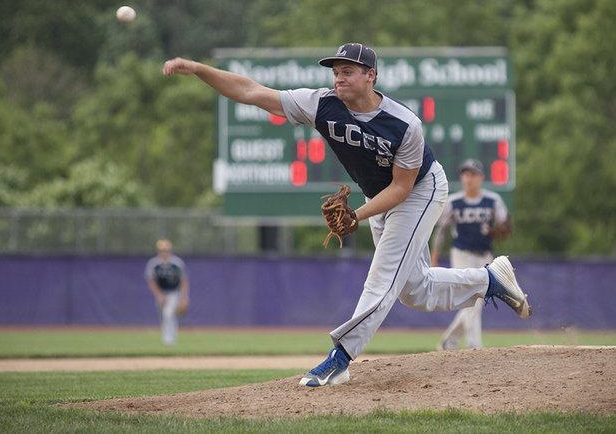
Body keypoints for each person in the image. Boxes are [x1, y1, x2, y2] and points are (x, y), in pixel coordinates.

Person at [162, 43, 531, 387]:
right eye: (335, 71)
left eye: (348, 71)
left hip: (421, 189)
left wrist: (357, 215)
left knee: (383, 276)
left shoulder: (404, 125)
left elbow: (402, 189)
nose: (338, 77)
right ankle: (490, 281)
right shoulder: (321, 104)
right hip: (379, 196)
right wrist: (197, 68)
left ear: (371, 74)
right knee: (413, 291)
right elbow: (249, 91)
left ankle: (340, 357)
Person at [431, 158, 511, 350]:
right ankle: (475, 345)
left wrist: (498, 229)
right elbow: (440, 231)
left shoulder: (492, 200)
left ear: (481, 178)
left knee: (477, 299)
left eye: (473, 174)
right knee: (473, 299)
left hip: (485, 255)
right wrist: (434, 257)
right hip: (461, 254)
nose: (469, 178)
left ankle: (448, 341)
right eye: (466, 174)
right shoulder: (454, 202)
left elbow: (505, 225)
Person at [144, 239, 189, 345]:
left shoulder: (176, 263)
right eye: (162, 250)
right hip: (161, 293)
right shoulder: (154, 264)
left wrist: (184, 297)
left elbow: (184, 281)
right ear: (158, 251)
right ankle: (170, 337)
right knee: (164, 316)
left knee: (168, 314)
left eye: (166, 250)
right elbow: (151, 281)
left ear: (170, 250)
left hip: (174, 292)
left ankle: (169, 340)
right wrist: (158, 295)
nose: (164, 252)